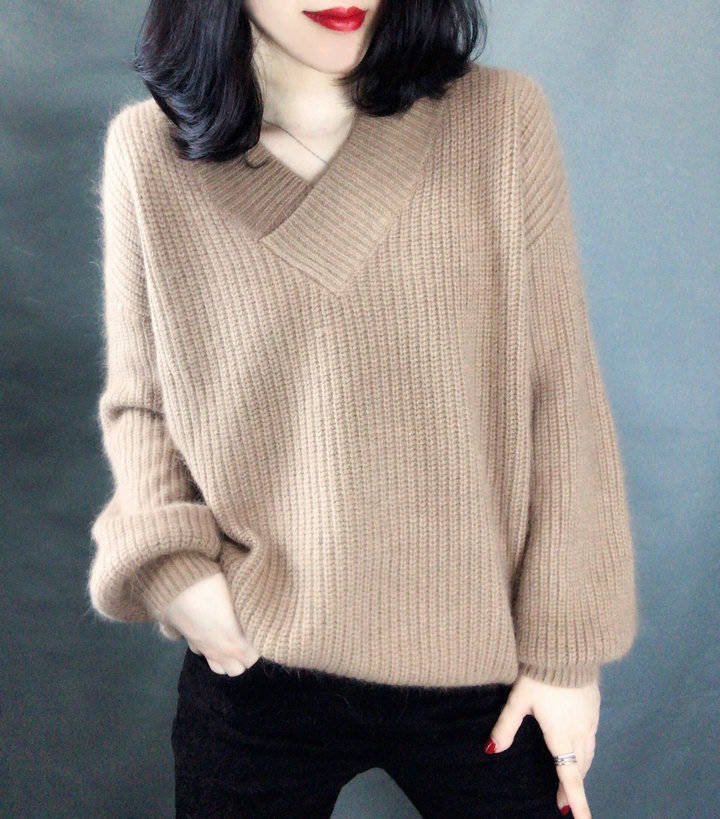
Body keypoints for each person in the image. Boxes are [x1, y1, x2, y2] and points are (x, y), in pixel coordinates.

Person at [86, 1, 639, 817]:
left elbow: (560, 394)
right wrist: (174, 570)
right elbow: (142, 403)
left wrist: (565, 656)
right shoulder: (150, 153)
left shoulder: (500, 121)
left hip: (479, 669)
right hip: (255, 664)